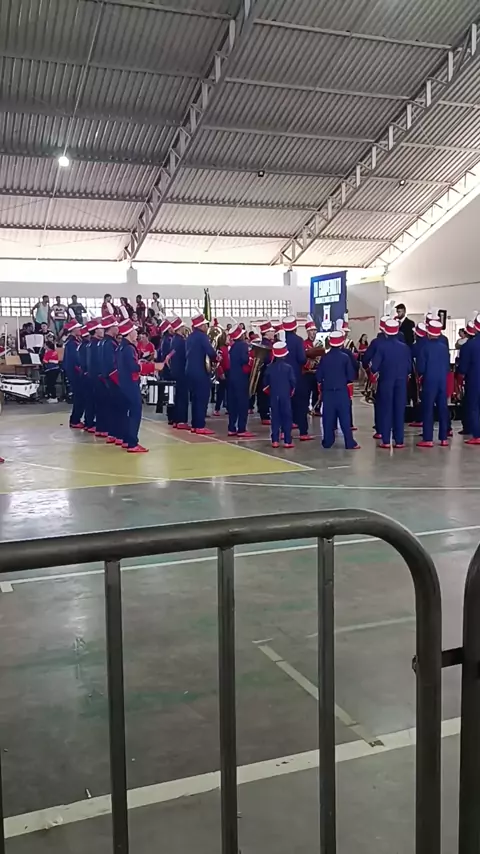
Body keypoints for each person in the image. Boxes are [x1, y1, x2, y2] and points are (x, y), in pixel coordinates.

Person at [116, 319, 163, 452]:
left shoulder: (121, 347)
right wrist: (154, 366)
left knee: (127, 412)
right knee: (135, 412)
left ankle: (126, 439)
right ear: (129, 332)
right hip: (131, 383)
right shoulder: (129, 348)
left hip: (123, 383)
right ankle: (132, 443)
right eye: (135, 331)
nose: (137, 333)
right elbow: (134, 367)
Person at [371, 318, 412, 449]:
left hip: (386, 382)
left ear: (386, 332)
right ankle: (399, 440)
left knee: (386, 410)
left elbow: (374, 367)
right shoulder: (405, 347)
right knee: (399, 410)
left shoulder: (382, 347)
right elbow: (409, 367)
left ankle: (386, 440)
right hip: (401, 382)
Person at [316, 330, 360, 450]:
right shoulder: (345, 358)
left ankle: (327, 442)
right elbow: (351, 376)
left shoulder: (324, 358)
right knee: (345, 418)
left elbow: (318, 376)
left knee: (328, 419)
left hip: (328, 392)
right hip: (341, 391)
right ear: (341, 343)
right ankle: (349, 442)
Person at [416, 319, 451, 448]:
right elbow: (447, 366)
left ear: (428, 333)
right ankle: (444, 438)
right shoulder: (444, 348)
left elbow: (420, 367)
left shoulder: (424, 347)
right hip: (442, 380)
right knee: (443, 408)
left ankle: (428, 438)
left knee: (428, 409)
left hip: (429, 381)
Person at [185, 313, 217, 435]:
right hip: (200, 371)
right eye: (205, 324)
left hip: (190, 370)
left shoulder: (190, 336)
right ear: (200, 326)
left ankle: (195, 425)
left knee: (195, 399)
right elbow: (210, 351)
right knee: (202, 398)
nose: (207, 326)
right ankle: (199, 425)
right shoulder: (202, 337)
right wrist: (216, 357)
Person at [283, 315, 311, 440]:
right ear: (295, 328)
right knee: (301, 404)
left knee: (285, 405)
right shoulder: (298, 340)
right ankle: (303, 432)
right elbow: (301, 359)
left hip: (283, 378)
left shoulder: (281, 340)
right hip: (296, 376)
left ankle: (284, 431)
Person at [263, 341, 296, 448]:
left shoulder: (269, 368)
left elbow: (265, 384)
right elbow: (293, 382)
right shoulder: (288, 368)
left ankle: (275, 441)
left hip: (274, 395)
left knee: (275, 418)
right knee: (287, 417)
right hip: (285, 396)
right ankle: (287, 441)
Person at [227, 324, 255, 439]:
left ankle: (231, 428)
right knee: (243, 404)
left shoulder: (232, 347)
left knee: (233, 404)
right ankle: (242, 429)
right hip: (241, 377)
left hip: (232, 377)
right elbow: (244, 359)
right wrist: (251, 358)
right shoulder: (243, 345)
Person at [100, 314, 123, 445]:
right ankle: (118, 434)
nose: (118, 328)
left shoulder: (104, 342)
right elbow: (112, 364)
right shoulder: (110, 344)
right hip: (113, 379)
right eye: (116, 326)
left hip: (107, 378)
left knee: (112, 407)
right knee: (118, 407)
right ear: (111, 327)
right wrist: (119, 381)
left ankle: (112, 433)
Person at [457, 314, 480, 445]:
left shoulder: (469, 346)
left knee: (474, 407)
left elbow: (463, 368)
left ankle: (477, 435)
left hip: (474, 380)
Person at [168, 315, 189, 429]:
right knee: (182, 396)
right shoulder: (181, 341)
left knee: (177, 396)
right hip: (182, 371)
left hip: (175, 370)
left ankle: (176, 419)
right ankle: (181, 420)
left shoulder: (174, 340)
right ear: (180, 328)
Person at [84, 318, 105, 436]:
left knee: (91, 401)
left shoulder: (90, 344)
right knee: (98, 402)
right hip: (97, 377)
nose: (103, 330)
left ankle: (89, 422)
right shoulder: (96, 344)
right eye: (100, 328)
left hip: (91, 376)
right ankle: (97, 425)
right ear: (95, 331)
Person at [62, 318, 84, 428]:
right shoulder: (72, 343)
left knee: (79, 396)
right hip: (75, 374)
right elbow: (76, 360)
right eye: (78, 328)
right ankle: (75, 420)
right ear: (73, 329)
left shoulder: (73, 341)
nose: (80, 329)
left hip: (74, 373)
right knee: (79, 397)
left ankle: (75, 419)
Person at [256, 320, 275, 424]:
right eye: (271, 331)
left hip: (265, 372)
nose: (274, 332)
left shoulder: (268, 344)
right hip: (265, 373)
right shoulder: (265, 345)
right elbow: (268, 360)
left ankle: (265, 413)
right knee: (264, 394)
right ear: (266, 333)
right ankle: (265, 415)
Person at [303, 320, 321, 414]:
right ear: (307, 332)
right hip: (307, 372)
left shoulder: (319, 343)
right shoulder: (304, 344)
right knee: (306, 391)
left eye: (314, 330)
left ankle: (316, 408)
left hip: (317, 372)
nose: (313, 332)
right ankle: (305, 408)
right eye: (311, 331)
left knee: (317, 391)